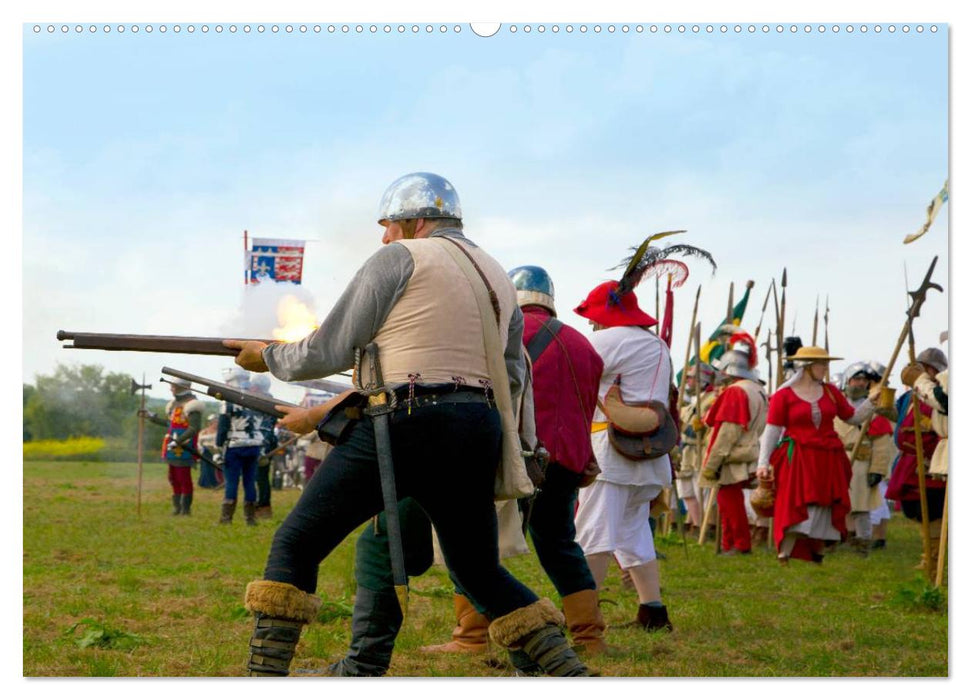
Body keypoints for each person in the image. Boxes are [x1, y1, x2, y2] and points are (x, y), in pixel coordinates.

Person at [227, 172, 588, 677]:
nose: (384, 237)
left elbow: (327, 349)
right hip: (476, 424)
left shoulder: (400, 258)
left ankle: (264, 678)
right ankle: (568, 673)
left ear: (417, 221)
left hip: (405, 419)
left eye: (390, 225)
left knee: (297, 542)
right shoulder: (498, 276)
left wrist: (269, 357)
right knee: (479, 571)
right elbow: (511, 375)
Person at [420, 265, 608, 659]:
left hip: (513, 455)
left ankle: (471, 637)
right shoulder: (584, 345)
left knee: (473, 540)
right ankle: (589, 637)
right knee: (559, 543)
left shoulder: (502, 332)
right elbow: (585, 409)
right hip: (565, 461)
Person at [572, 274, 675, 632]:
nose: (589, 322)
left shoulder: (605, 339)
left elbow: (572, 372)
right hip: (650, 454)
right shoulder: (657, 345)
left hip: (611, 453)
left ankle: (585, 622)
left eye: (592, 315)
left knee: (593, 534)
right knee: (633, 533)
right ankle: (653, 612)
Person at [756, 346, 881, 564]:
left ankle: (817, 551)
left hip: (827, 456)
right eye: (821, 364)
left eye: (825, 364)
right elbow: (772, 429)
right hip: (797, 458)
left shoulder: (831, 392)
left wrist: (872, 402)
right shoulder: (783, 395)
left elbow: (852, 417)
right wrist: (763, 461)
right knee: (795, 502)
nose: (825, 368)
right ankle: (785, 551)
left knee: (824, 502)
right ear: (807, 367)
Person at [699, 332, 768, 555]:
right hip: (748, 448)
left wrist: (712, 463)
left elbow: (727, 432)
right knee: (727, 499)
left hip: (733, 453)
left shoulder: (736, 391)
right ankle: (728, 543)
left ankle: (739, 544)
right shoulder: (757, 388)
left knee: (730, 501)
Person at [886, 348, 947, 569]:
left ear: (933, 370)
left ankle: (933, 559)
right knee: (916, 510)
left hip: (932, 462)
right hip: (910, 462)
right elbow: (903, 418)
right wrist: (886, 411)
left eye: (923, 367)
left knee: (933, 510)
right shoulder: (910, 395)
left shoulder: (941, 393)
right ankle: (930, 554)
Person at [833, 362, 894, 555]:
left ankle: (862, 542)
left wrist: (877, 469)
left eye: (863, 380)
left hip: (861, 462)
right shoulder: (835, 406)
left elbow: (882, 444)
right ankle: (841, 538)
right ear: (847, 381)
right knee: (838, 504)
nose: (860, 383)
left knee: (861, 506)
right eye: (856, 379)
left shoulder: (874, 410)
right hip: (837, 461)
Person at [215, 368, 264, 526]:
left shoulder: (228, 401)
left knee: (231, 482)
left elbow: (222, 428)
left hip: (235, 445)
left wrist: (218, 446)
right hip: (254, 444)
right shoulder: (257, 398)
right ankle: (251, 519)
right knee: (250, 482)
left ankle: (226, 519)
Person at [675, 361, 716, 537]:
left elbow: (703, 428)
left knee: (702, 493)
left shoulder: (712, 398)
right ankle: (698, 525)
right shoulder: (692, 400)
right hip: (686, 452)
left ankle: (708, 528)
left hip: (699, 450)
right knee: (687, 492)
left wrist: (683, 425)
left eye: (692, 378)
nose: (689, 381)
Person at [158, 376, 204, 515]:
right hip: (172, 445)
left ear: (181, 387)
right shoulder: (173, 404)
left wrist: (178, 441)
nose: (171, 389)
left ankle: (185, 510)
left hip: (185, 447)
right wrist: (151, 417)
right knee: (173, 478)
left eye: (173, 386)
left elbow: (193, 428)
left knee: (184, 478)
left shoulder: (192, 405)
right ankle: (177, 508)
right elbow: (170, 424)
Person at [249, 372, 280, 519]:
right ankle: (257, 505)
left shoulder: (268, 402)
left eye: (254, 386)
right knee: (256, 477)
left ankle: (263, 507)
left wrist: (262, 447)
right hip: (255, 441)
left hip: (264, 443)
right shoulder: (256, 400)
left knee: (261, 477)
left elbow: (266, 427)